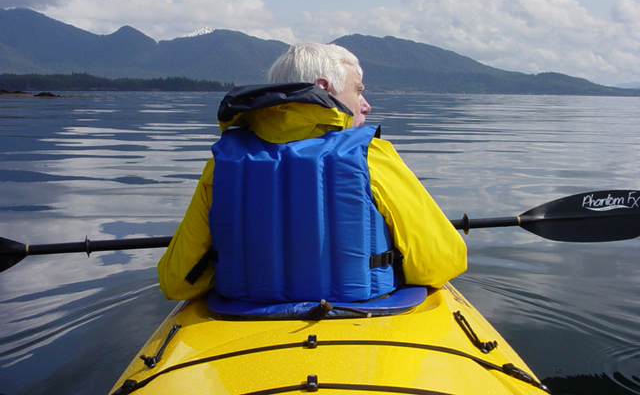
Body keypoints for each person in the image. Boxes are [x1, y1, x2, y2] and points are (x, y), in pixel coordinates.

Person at [158, 42, 466, 304]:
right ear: (323, 87)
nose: (366, 105)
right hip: (360, 319)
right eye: (357, 91)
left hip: (244, 316)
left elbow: (176, 281)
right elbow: (442, 262)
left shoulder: (224, 162)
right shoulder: (371, 156)